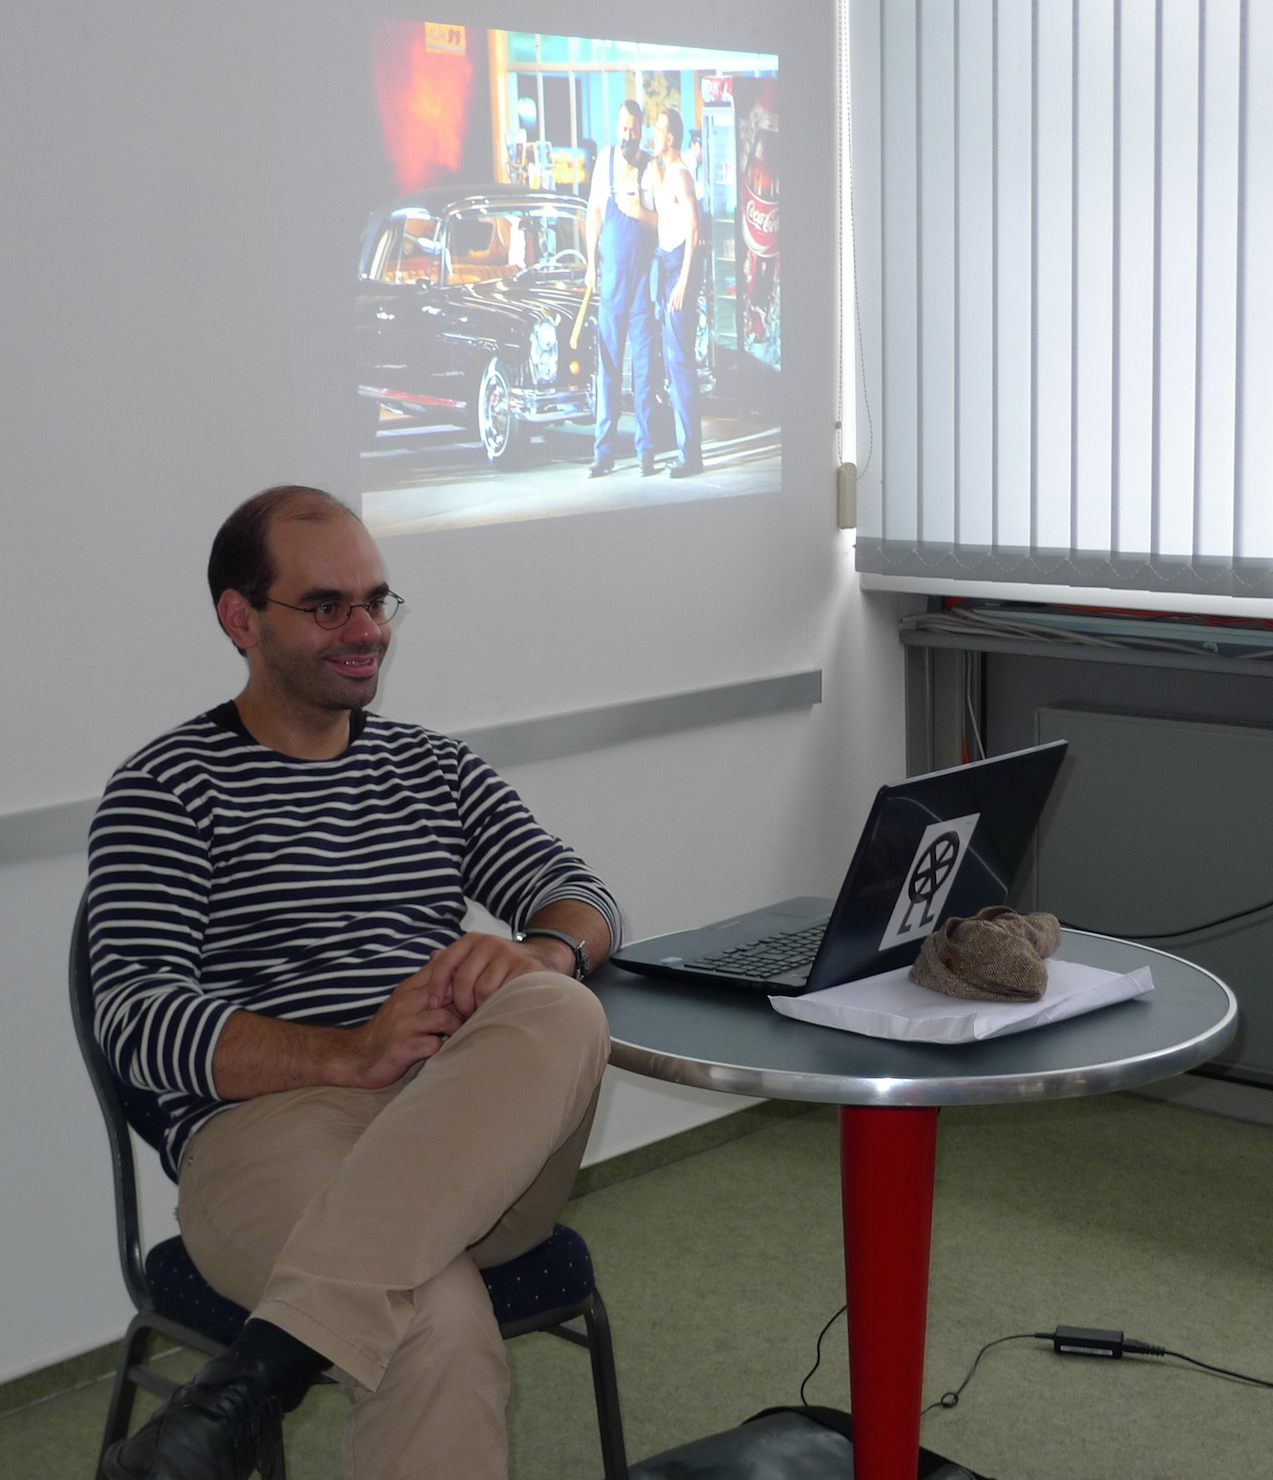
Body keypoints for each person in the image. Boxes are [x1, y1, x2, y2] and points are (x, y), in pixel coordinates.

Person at [91, 485, 619, 1480]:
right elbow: (136, 1019)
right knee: (434, 1322)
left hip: (471, 1131)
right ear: (240, 618)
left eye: (377, 600)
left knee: (556, 999)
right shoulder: (167, 788)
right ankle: (289, 1352)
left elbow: (578, 894)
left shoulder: (435, 770)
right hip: (270, 1131)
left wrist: (538, 953)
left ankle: (261, 1373)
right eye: (327, 604)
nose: (365, 629)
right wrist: (345, 1050)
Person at [585, 99, 658, 478]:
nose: (628, 134)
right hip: (611, 282)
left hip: (642, 285)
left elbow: (665, 221)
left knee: (644, 371)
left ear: (642, 130)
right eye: (624, 128)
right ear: (618, 128)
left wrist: (638, 213)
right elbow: (594, 212)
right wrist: (589, 263)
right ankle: (604, 452)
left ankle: (647, 451)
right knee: (608, 369)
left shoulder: (650, 167)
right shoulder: (606, 160)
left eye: (634, 128)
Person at [646, 108, 703, 478]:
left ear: (671, 137)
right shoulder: (666, 175)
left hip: (678, 268)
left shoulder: (681, 176)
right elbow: (663, 219)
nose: (653, 134)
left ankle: (691, 455)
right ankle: (686, 448)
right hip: (666, 266)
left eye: (657, 130)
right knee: (673, 363)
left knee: (681, 364)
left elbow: (694, 230)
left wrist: (683, 281)